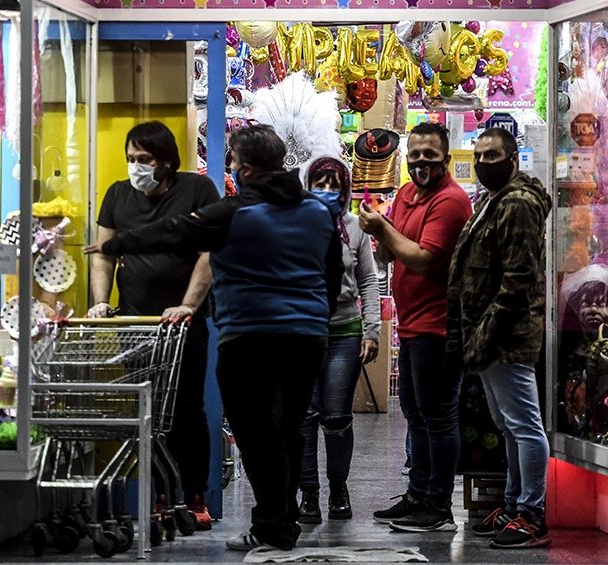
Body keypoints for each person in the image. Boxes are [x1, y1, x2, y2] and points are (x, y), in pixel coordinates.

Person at [84, 124, 342, 552]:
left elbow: (175, 231)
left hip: (250, 337)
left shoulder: (235, 212)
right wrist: (318, 316)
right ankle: (282, 518)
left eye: (236, 163)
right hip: (307, 337)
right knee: (289, 430)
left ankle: (273, 526)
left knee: (258, 436)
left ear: (247, 170)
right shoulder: (317, 211)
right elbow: (332, 273)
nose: (233, 170)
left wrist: (116, 246)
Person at [86, 121, 220, 529]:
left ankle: (195, 496)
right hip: (136, 321)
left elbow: (208, 254)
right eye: (130, 159)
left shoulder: (198, 191)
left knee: (186, 412)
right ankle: (159, 496)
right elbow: (103, 254)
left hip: (183, 325)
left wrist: (187, 305)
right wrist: (99, 303)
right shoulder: (116, 195)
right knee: (149, 411)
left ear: (166, 161)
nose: (135, 167)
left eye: (143, 160)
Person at [358, 122, 472, 532]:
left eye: (430, 154)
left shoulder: (451, 201)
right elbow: (391, 256)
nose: (421, 161)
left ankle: (439, 507)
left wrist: (383, 229)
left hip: (439, 327)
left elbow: (425, 259)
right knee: (415, 413)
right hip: (411, 325)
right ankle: (418, 494)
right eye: (416, 154)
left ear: (445, 158)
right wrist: (378, 232)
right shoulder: (406, 194)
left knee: (438, 416)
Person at [449, 127, 552, 548]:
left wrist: (487, 332)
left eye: (493, 155)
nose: (484, 162)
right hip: (489, 335)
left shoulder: (518, 204)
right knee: (508, 426)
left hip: (507, 336)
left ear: (513, 159)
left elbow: (518, 278)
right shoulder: (495, 201)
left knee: (525, 426)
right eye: (479, 155)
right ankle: (513, 505)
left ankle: (532, 513)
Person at [298, 156, 380, 525]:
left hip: (344, 331)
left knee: (336, 416)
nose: (328, 191)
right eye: (320, 183)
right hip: (302, 332)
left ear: (345, 190)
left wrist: (372, 330)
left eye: (335, 185)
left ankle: (338, 488)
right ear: (307, 185)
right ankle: (309, 494)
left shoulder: (355, 228)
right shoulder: (294, 225)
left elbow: (368, 281)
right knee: (304, 417)